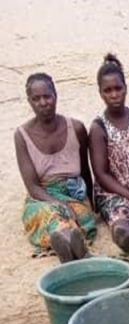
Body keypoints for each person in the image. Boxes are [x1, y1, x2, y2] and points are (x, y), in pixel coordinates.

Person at [15, 72, 96, 261]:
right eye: (36, 99)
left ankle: (69, 248)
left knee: (81, 217)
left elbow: (85, 170)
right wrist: (58, 203)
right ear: (29, 102)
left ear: (55, 96)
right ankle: (74, 249)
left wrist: (91, 201)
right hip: (42, 197)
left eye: (47, 96)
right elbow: (32, 186)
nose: (43, 103)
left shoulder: (75, 128)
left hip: (73, 193)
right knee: (51, 216)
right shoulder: (22, 135)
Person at [88, 53, 129, 255]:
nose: (114, 94)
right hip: (117, 192)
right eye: (108, 90)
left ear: (125, 88)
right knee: (120, 224)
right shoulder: (99, 127)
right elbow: (101, 174)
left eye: (118, 88)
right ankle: (127, 242)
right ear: (100, 93)